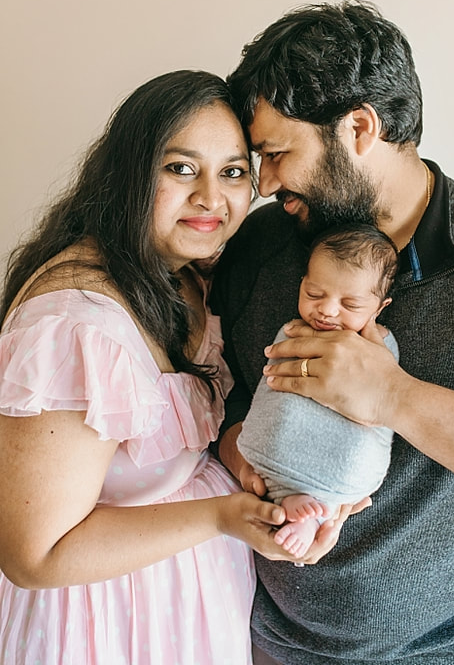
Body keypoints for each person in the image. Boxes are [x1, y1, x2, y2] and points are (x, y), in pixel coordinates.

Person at [210, 0, 454, 665]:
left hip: (451, 649)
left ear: (359, 127)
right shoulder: (261, 248)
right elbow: (229, 392)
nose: (264, 183)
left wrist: (392, 398)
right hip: (264, 639)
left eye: (276, 153)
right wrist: (239, 448)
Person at [0, 70, 297, 665]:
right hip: (98, 625)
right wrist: (221, 516)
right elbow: (33, 556)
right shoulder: (74, 325)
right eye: (181, 167)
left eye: (233, 172)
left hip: (181, 613)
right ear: (132, 173)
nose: (212, 197)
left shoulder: (187, 276)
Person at [237, 222, 400, 558]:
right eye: (314, 294)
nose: (326, 310)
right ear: (302, 284)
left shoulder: (379, 347)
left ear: (380, 308)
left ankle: (312, 513)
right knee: (277, 449)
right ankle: (292, 502)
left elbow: (387, 396)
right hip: (275, 454)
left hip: (340, 463)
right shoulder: (294, 331)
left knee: (342, 475)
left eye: (351, 305)